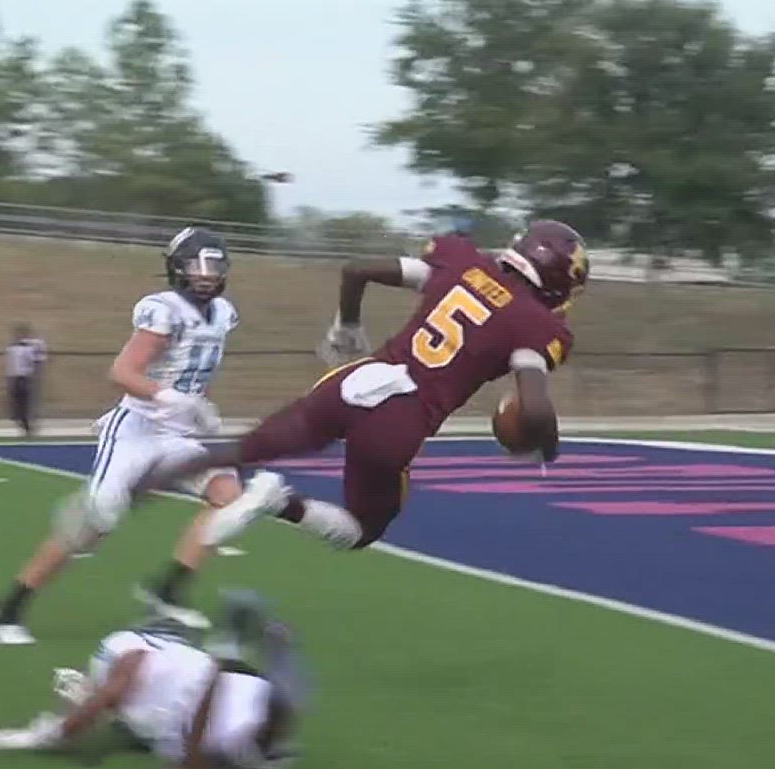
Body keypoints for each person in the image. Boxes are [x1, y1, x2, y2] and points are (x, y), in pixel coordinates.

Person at [101, 222, 584, 554]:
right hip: (401, 419)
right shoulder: (535, 326)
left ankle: (131, 495)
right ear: (560, 281)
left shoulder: (461, 262)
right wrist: (547, 446)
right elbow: (536, 410)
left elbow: (356, 270)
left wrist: (347, 327)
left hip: (354, 383)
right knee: (360, 531)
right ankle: (279, 503)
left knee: (241, 447)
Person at [0, 228, 244, 645]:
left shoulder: (224, 314)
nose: (206, 275)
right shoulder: (164, 309)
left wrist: (198, 407)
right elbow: (122, 373)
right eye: (197, 265)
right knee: (94, 523)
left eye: (214, 266)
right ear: (176, 267)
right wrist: (172, 398)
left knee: (231, 499)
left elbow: (193, 372)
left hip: (180, 433)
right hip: (138, 429)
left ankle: (167, 588)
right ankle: (9, 607)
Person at [0, 590, 308, 769]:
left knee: (196, 748)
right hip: (210, 713)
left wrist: (52, 733)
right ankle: (261, 665)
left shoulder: (135, 665)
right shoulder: (137, 658)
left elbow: (107, 700)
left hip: (203, 720)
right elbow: (108, 699)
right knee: (247, 705)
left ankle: (255, 675)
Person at [1, 323, 47, 438]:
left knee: (25, 404)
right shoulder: (13, 349)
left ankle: (27, 426)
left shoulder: (27, 348)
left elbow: (37, 360)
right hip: (16, 378)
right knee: (17, 405)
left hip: (24, 378)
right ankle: (25, 425)